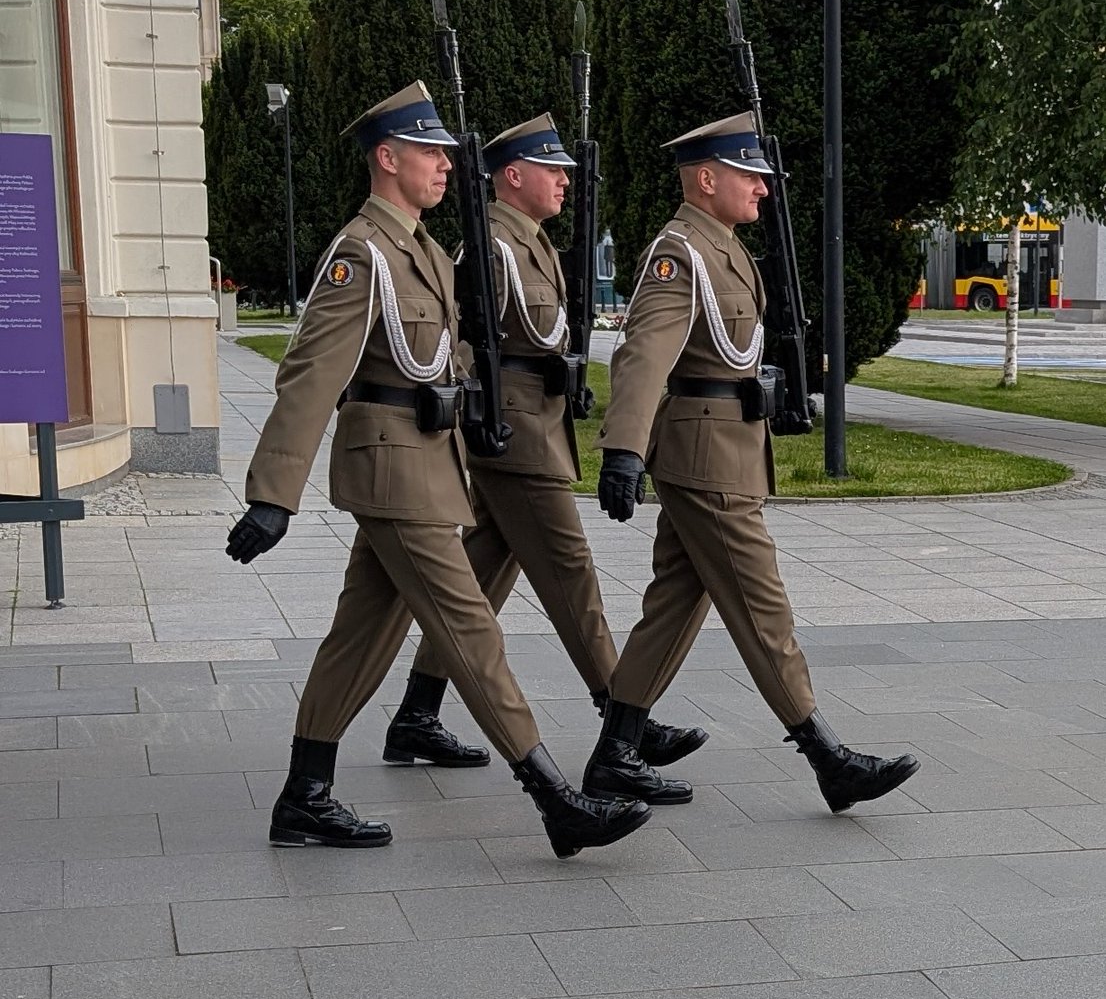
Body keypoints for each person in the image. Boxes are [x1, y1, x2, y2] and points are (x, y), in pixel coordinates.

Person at [225, 81, 651, 858]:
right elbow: (310, 374)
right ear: (387, 159)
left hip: (428, 463)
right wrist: (272, 495)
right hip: (392, 471)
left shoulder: (418, 248)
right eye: (430, 154)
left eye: (447, 155)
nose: (447, 167)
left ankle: (304, 796)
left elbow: (449, 359)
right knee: (470, 628)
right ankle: (556, 799)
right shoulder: (363, 253)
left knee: (359, 636)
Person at [580, 111, 921, 815]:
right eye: (750, 176)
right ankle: (827, 756)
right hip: (704, 458)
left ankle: (616, 752)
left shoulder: (723, 245)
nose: (764, 190)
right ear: (707, 179)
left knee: (675, 602)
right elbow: (645, 354)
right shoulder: (681, 251)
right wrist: (621, 449)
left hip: (726, 447)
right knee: (762, 606)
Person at [381, 113, 705, 803]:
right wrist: (476, 411)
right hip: (513, 439)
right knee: (571, 575)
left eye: (566, 170)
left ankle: (416, 714)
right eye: (551, 169)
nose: (565, 181)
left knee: (480, 579)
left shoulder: (535, 247)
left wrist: (564, 378)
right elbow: (456, 346)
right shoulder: (490, 248)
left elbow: (537, 340)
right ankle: (624, 723)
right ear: (512, 176)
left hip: (537, 425)